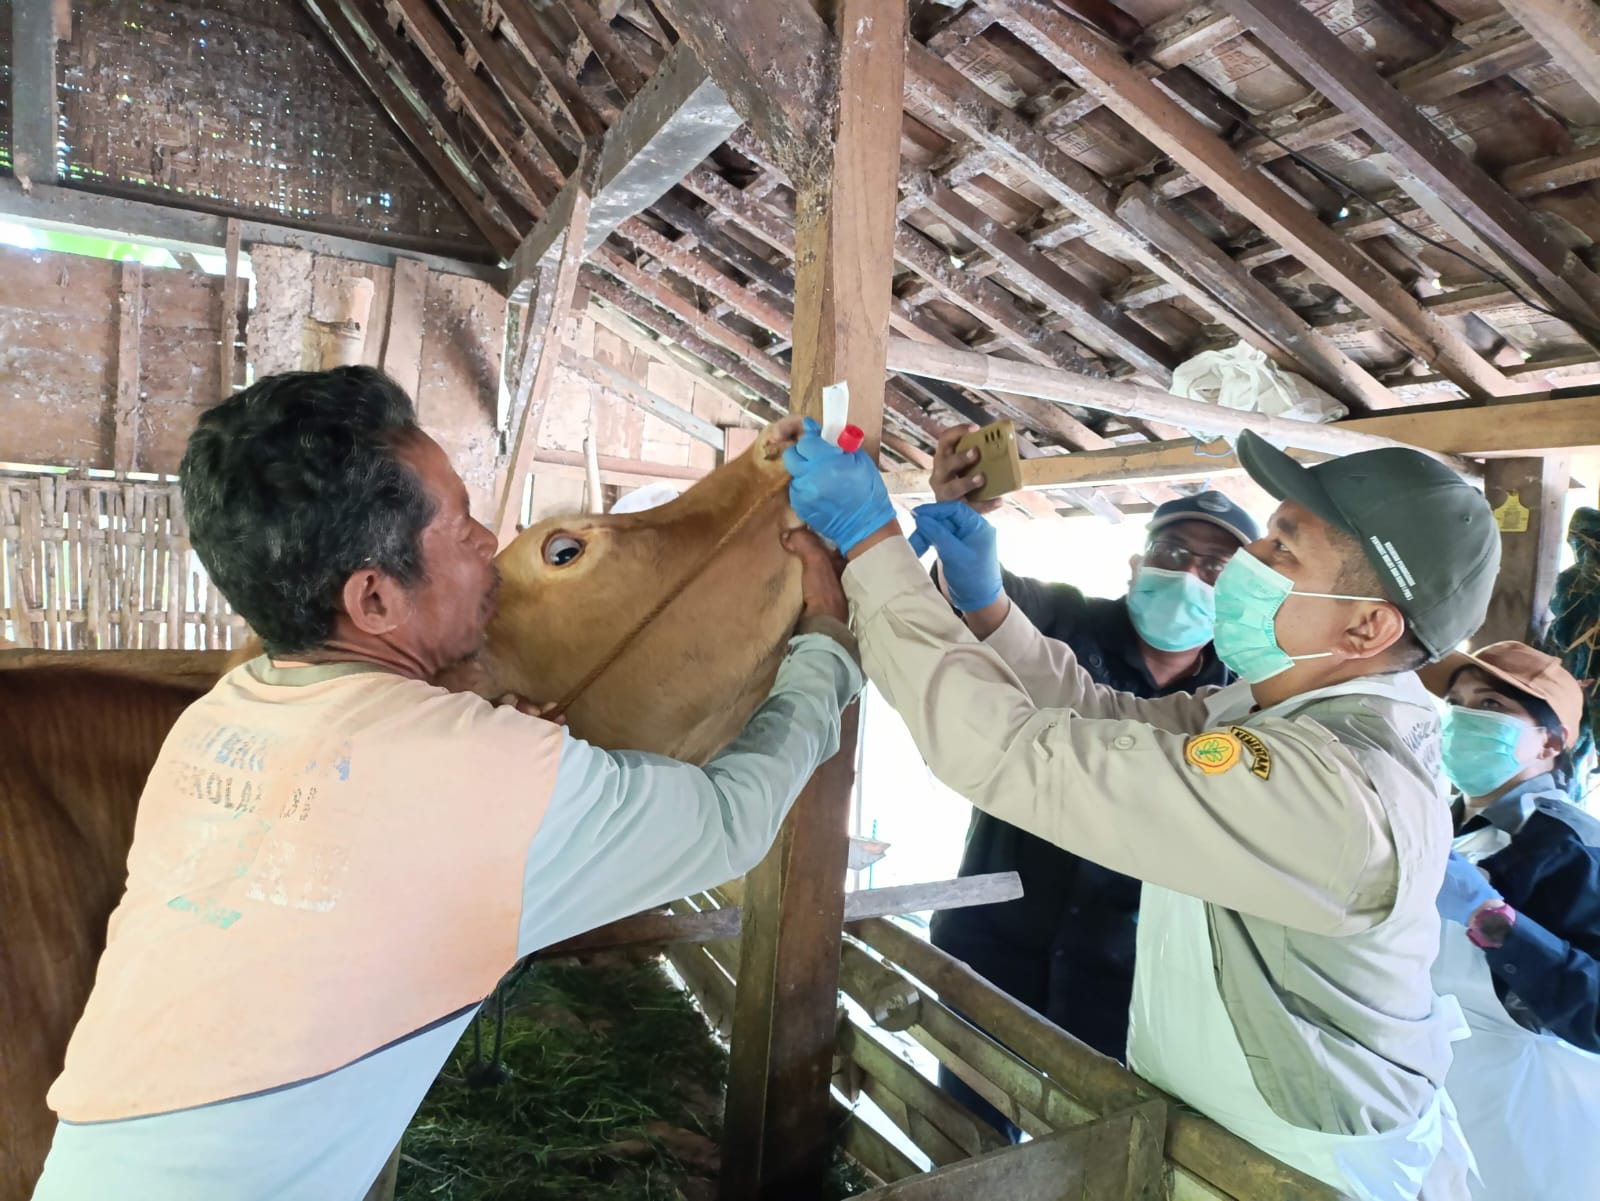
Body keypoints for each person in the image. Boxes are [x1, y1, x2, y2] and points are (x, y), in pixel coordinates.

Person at [32, 368, 863, 1201]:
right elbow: (730, 819)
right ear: (374, 597)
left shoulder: (217, 721)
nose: (485, 539)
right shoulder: (482, 770)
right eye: (460, 525)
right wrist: (824, 648)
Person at [783, 417, 1497, 1200]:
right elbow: (1101, 718)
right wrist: (985, 603)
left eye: (1281, 549)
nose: (1242, 566)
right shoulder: (1279, 717)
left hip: (1293, 1170)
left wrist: (873, 543)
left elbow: (1017, 754)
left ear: (1368, 625)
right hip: (1224, 1135)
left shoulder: (1334, 791)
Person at [925, 427, 1259, 1135]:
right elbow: (985, 601)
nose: (1190, 574)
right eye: (1174, 553)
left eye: (1216, 566)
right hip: (993, 938)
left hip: (1125, 974)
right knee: (966, 1140)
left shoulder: (1234, 701)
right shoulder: (1067, 619)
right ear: (1136, 563)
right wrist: (965, 541)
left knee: (1090, 1154)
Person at [1422, 641, 1600, 1201]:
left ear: (1551, 740)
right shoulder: (1436, 825)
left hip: (1540, 1120)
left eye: (1492, 705)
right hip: (1445, 1100)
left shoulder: (1572, 848)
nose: (1463, 717)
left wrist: (1489, 917)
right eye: (1456, 702)